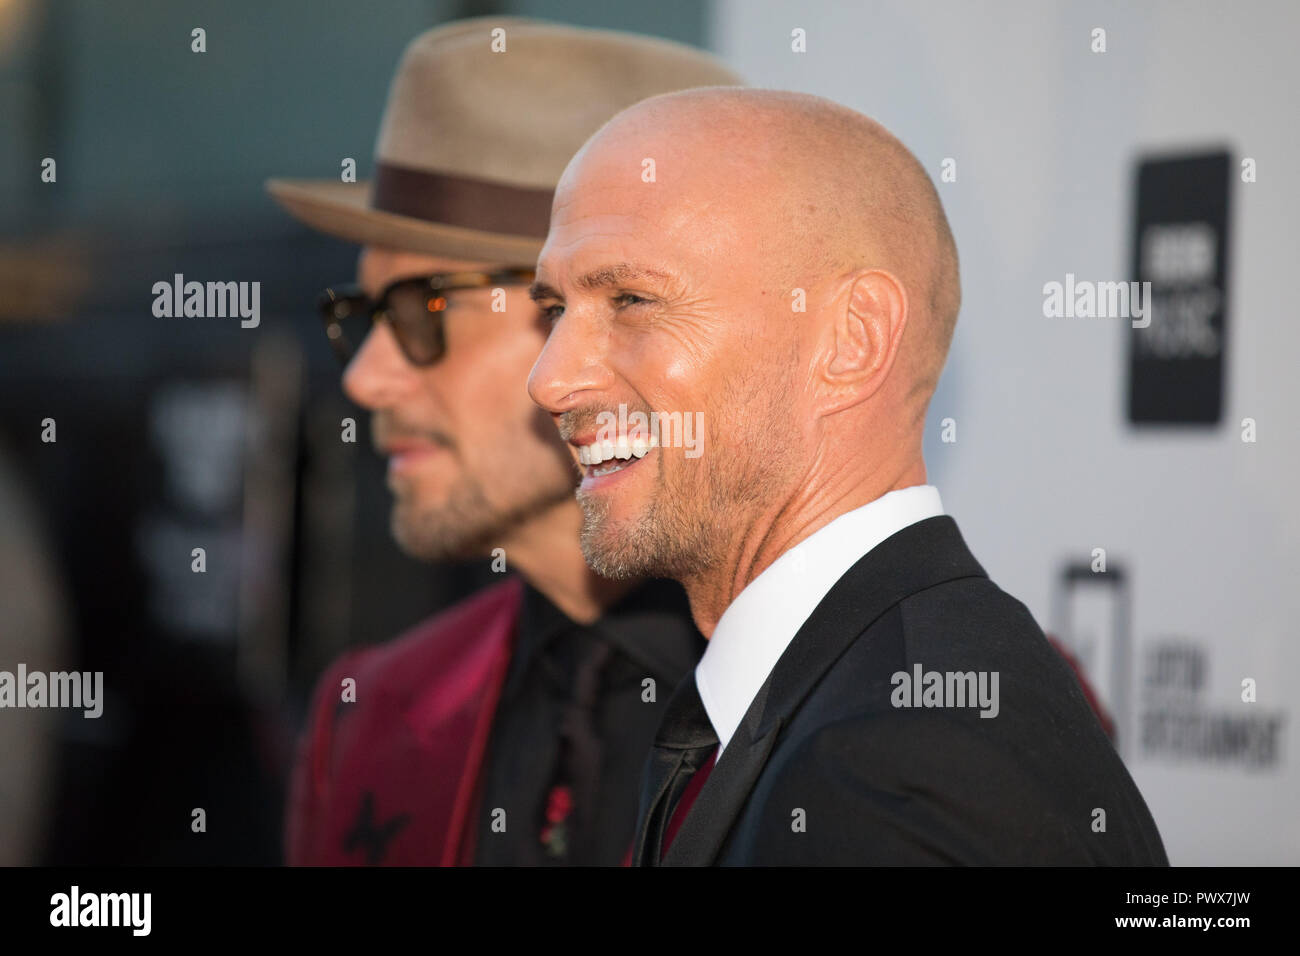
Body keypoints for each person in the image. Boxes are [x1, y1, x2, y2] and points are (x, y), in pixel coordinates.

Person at [526, 88, 1169, 865]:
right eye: (555, 308)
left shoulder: (896, 773)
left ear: (853, 341)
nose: (550, 378)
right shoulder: (847, 702)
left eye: (631, 299)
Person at [267, 19, 741, 866]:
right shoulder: (370, 716)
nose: (366, 379)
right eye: (364, 317)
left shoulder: (878, 710)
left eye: (423, 308)